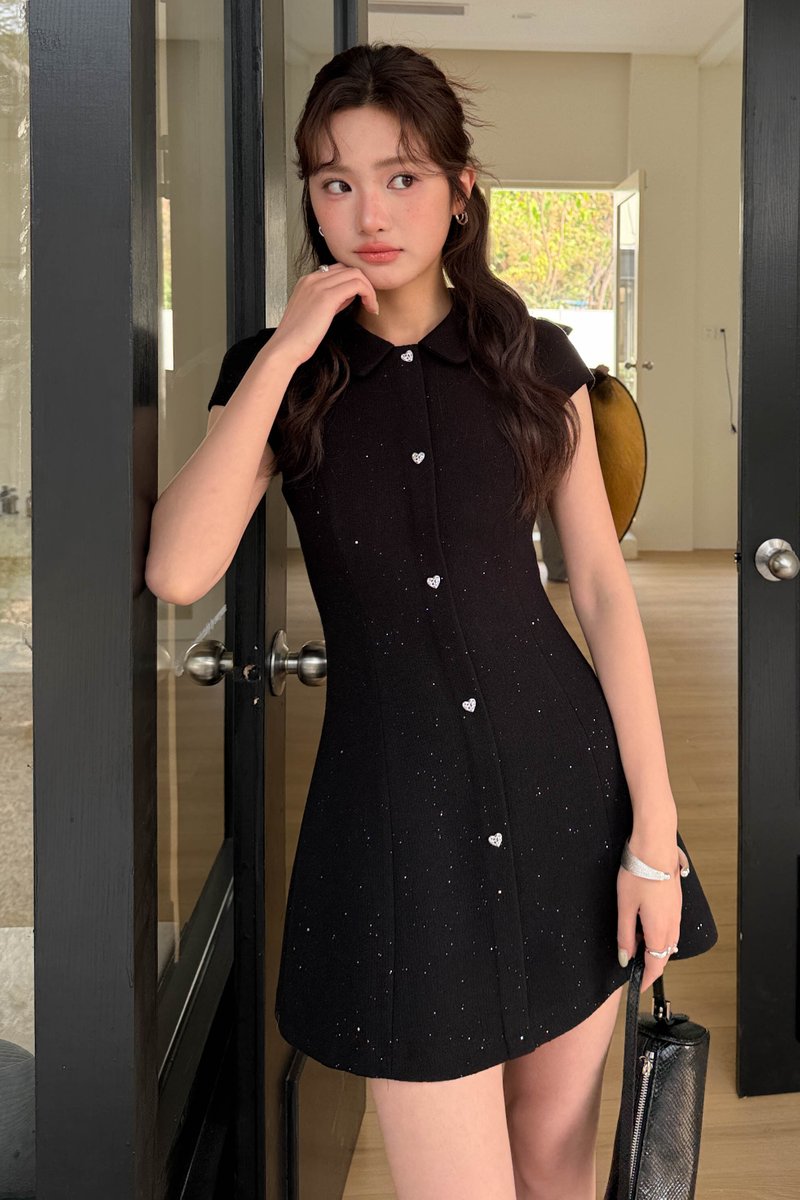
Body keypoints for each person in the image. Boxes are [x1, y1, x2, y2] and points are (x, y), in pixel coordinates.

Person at [145, 42, 718, 1200]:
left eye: (400, 176)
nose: (368, 212)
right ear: (309, 200)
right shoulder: (281, 375)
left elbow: (600, 593)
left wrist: (651, 840)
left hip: (566, 798)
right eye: (335, 181)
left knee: (553, 1160)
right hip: (393, 826)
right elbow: (178, 568)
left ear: (459, 190)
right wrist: (284, 351)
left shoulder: (532, 361)